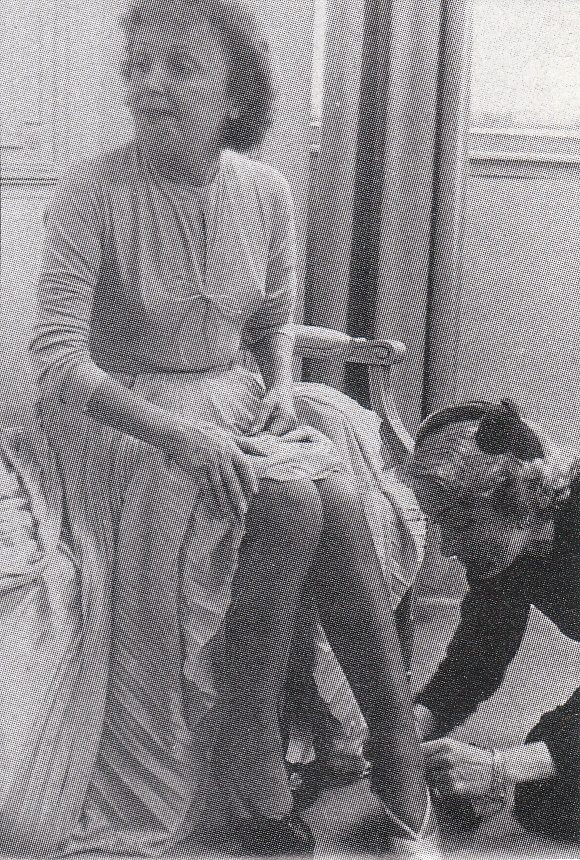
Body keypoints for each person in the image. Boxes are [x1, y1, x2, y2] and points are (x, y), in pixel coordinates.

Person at [0, 1, 439, 856]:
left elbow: (271, 321)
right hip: (116, 420)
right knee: (296, 502)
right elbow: (56, 360)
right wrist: (178, 434)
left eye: (179, 66)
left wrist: (280, 389)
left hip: (231, 398)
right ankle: (251, 730)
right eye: (139, 65)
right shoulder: (93, 189)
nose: (149, 84)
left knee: (334, 489)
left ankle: (395, 745)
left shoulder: (266, 191)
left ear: (237, 95)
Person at [408, 399, 579, 843]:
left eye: (462, 524)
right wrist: (410, 727)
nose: (446, 547)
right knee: (544, 799)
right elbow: (479, 653)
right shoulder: (511, 548)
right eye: (439, 524)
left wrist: (502, 767)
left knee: (548, 777)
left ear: (520, 502)